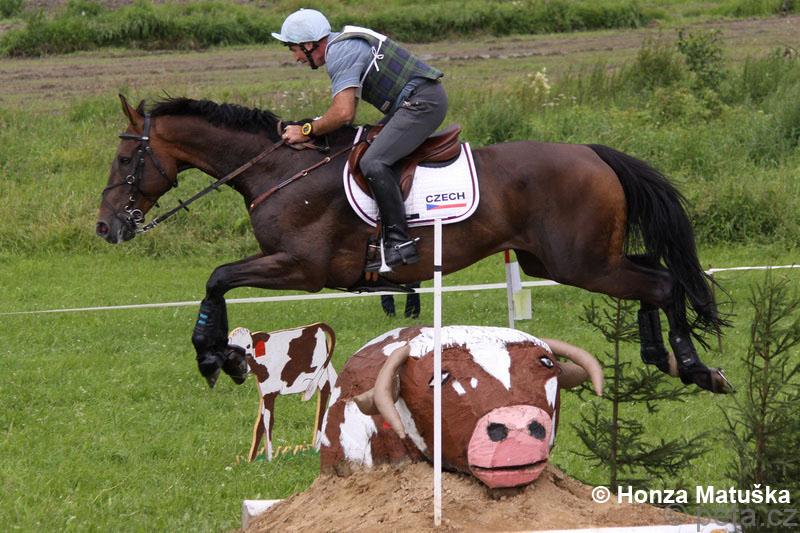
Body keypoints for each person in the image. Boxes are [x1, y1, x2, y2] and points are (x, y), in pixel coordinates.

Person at [272, 9, 448, 271]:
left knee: (373, 161)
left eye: (294, 49)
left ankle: (399, 243)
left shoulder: (340, 52)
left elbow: (343, 113)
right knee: (363, 146)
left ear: (309, 44)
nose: (295, 57)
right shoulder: (342, 44)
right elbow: (344, 114)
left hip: (422, 103)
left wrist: (306, 130)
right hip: (414, 101)